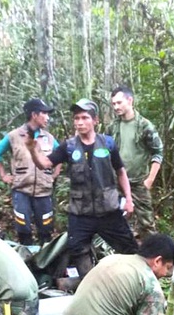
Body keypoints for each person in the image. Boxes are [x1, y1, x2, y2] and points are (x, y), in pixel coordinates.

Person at [29, 98, 138, 277]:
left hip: (108, 210)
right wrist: (33, 150)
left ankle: (135, 282)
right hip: (81, 212)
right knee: (77, 249)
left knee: (129, 249)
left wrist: (129, 200)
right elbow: (45, 164)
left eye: (85, 118)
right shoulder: (69, 146)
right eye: (76, 118)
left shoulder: (108, 143)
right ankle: (90, 283)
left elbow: (120, 172)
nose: (80, 122)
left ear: (95, 121)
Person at [0, 99, 61, 245]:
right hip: (21, 189)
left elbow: (60, 155)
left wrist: (54, 175)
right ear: (34, 115)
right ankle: (26, 258)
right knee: (23, 227)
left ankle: (45, 260)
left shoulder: (49, 138)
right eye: (44, 113)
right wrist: (4, 175)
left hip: (44, 191)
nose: (47, 117)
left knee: (46, 228)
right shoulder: (14, 136)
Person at [108, 86, 164, 239]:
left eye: (119, 103)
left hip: (139, 183)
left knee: (146, 224)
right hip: (117, 183)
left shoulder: (145, 126)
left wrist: (149, 180)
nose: (116, 107)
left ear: (130, 100)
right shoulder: (112, 127)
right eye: (113, 104)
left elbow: (158, 152)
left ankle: (152, 258)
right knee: (116, 222)